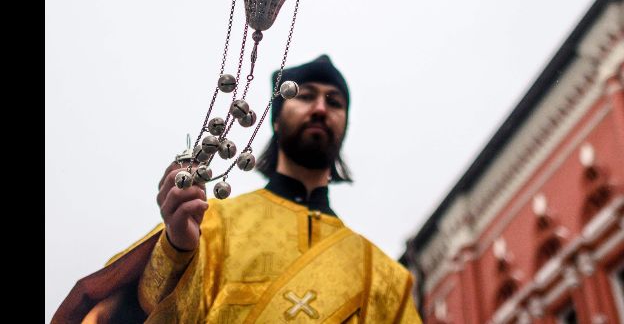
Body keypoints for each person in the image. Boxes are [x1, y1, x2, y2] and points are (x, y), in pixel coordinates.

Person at [54, 54, 422, 323]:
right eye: (306, 95)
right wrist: (177, 248)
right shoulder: (212, 223)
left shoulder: (385, 276)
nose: (321, 108)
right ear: (276, 117)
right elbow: (137, 311)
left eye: (335, 101)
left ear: (345, 124)